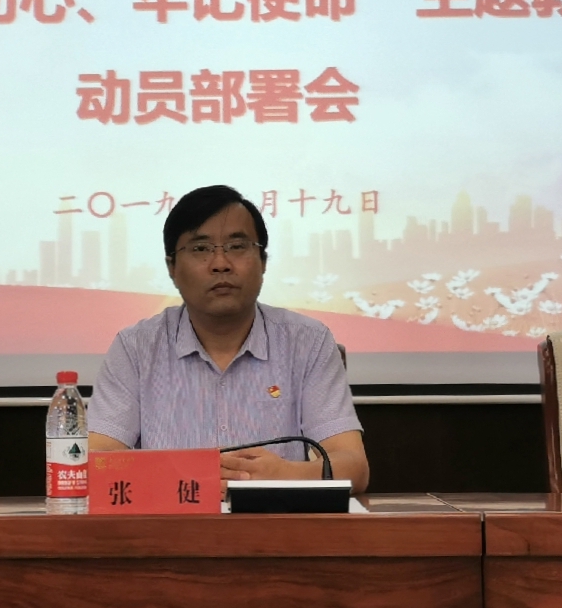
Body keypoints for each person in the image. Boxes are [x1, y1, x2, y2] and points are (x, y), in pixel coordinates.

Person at [88, 184, 369, 491]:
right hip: (172, 521)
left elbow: (353, 466)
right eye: (200, 249)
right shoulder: (136, 348)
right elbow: (96, 461)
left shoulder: (308, 342)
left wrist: (285, 476)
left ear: (263, 261)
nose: (221, 263)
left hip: (277, 520)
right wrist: (194, 480)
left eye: (237, 247)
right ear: (172, 268)